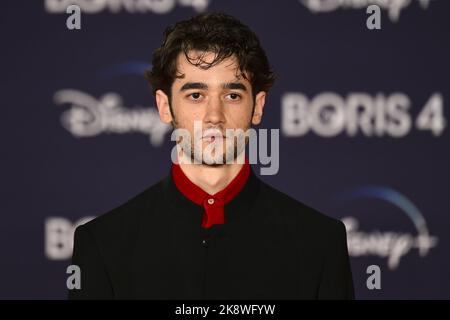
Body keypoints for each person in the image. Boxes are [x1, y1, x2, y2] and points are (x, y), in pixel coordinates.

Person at [68, 12, 354, 300]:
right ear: (164, 106)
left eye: (232, 96)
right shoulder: (102, 245)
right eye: (196, 95)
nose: (214, 117)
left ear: (257, 106)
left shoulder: (319, 243)